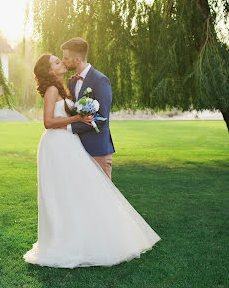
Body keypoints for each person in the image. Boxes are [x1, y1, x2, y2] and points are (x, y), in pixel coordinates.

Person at [22, 54, 160, 268]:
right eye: (57, 62)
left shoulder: (62, 87)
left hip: (68, 142)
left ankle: (86, 236)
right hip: (56, 145)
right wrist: (77, 118)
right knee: (62, 193)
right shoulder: (51, 90)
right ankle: (63, 242)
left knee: (80, 188)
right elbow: (48, 122)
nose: (62, 63)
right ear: (50, 71)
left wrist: (84, 114)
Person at [62, 37, 114, 179]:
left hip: (98, 150)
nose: (63, 61)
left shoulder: (100, 80)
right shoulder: (72, 82)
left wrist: (71, 128)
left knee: (103, 197)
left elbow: (102, 117)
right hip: (77, 150)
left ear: (77, 59)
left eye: (66, 58)